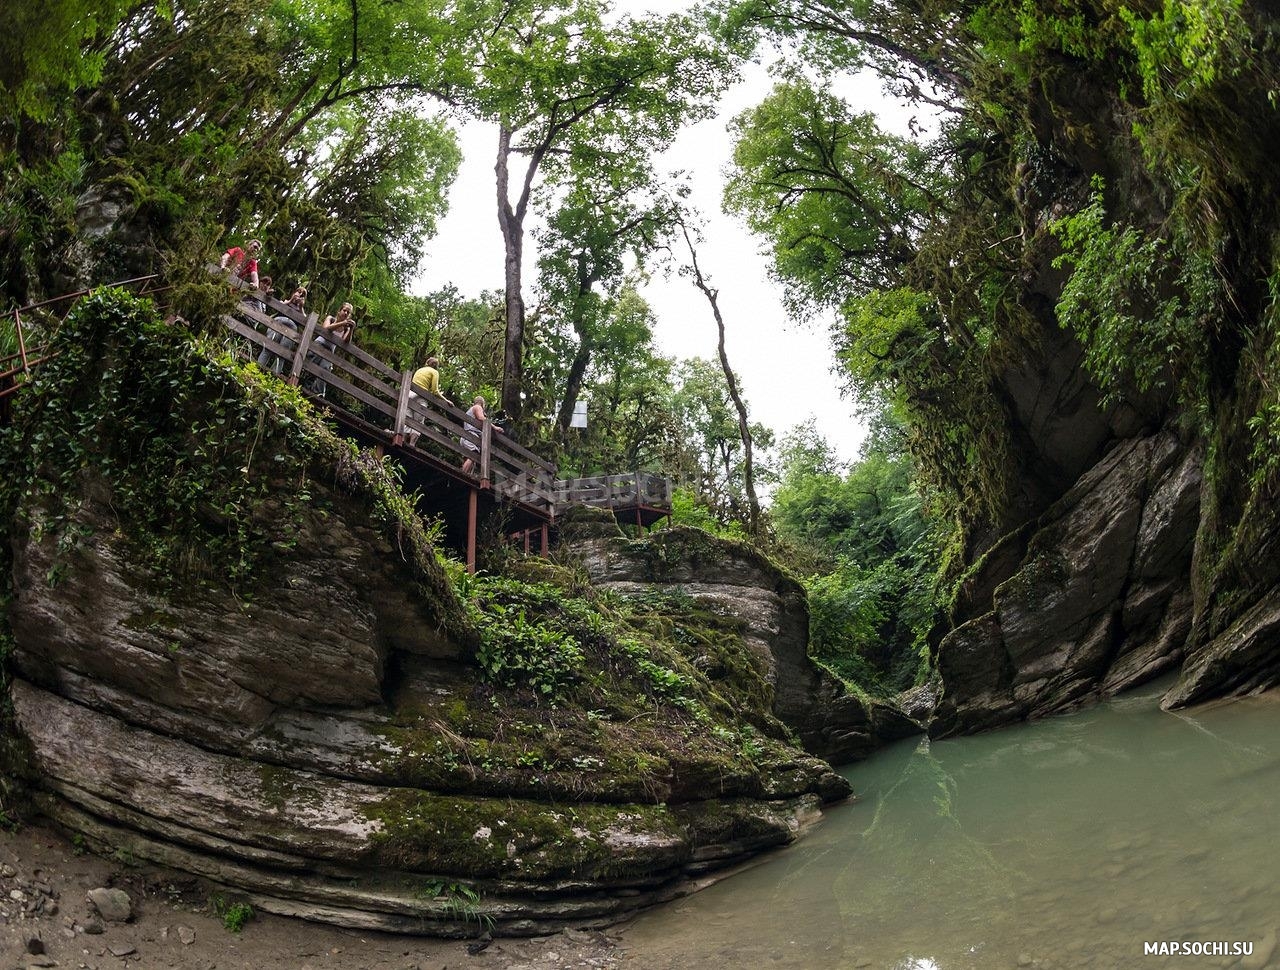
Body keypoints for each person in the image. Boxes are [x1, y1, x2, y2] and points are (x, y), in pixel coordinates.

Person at [257, 284, 306, 374]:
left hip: (292, 329)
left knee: (282, 354)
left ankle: (273, 376)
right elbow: (278, 305)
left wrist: (301, 307)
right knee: (268, 346)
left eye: (302, 294)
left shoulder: (301, 310)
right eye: (298, 292)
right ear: (294, 292)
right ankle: (256, 370)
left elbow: (306, 321)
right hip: (278, 322)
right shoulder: (285, 301)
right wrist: (291, 300)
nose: (299, 295)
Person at [308, 301, 356, 396]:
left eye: (348, 312)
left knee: (325, 369)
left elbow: (345, 342)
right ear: (339, 311)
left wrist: (351, 329)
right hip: (319, 344)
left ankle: (318, 393)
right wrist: (342, 323)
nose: (345, 313)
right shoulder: (331, 318)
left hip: (330, 351)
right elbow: (326, 328)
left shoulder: (346, 328)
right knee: (312, 365)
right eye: (344, 310)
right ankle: (305, 386)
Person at [461, 394, 503, 474]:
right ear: (482, 404)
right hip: (471, 436)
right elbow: (481, 418)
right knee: (473, 455)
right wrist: (495, 427)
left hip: (465, 437)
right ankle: (462, 475)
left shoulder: (469, 411)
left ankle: (466, 474)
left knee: (469, 458)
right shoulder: (477, 407)